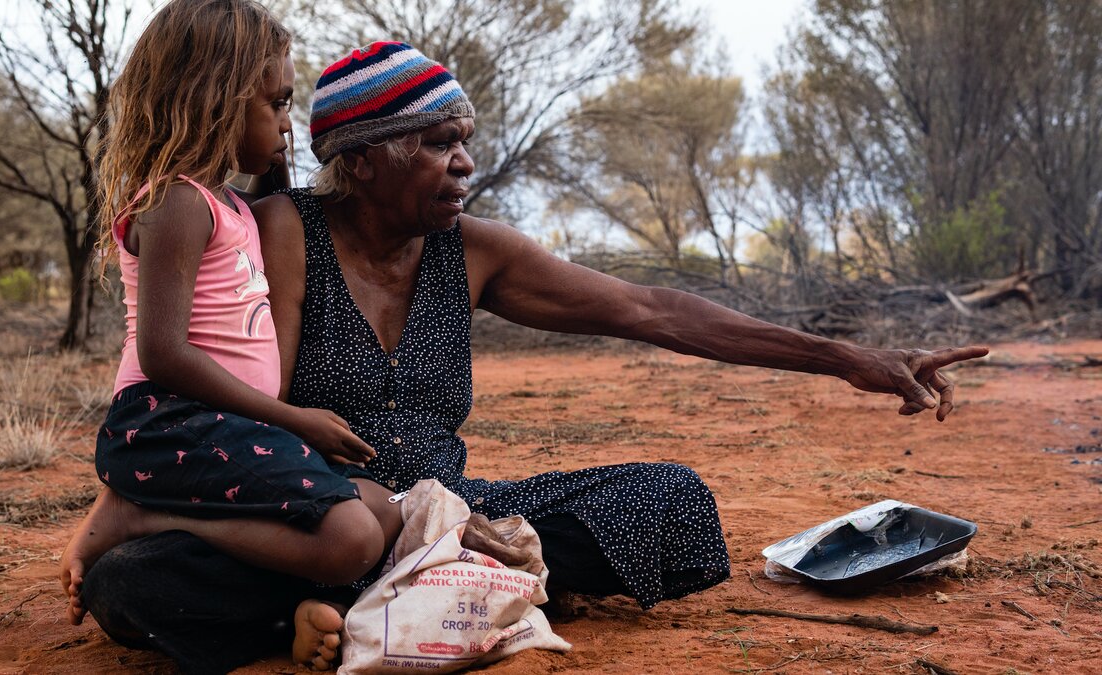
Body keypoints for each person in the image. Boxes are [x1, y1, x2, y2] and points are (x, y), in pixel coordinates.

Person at [77, 41, 989, 673]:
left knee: (671, 501)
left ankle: (383, 600)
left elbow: (650, 309)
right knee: (132, 585)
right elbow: (218, 383)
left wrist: (846, 358)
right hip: (319, 518)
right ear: (360, 158)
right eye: (438, 142)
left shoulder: (475, 251)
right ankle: (385, 600)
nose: (464, 161)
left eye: (464, 139)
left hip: (454, 511)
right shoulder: (282, 229)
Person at [58, 4, 410, 663]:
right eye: (277, 103)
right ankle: (149, 514)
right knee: (351, 539)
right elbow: (162, 353)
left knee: (382, 510)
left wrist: (271, 156)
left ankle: (283, 608)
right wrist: (294, 419)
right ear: (216, 98)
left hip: (224, 427)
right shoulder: (176, 202)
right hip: (177, 418)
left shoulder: (228, 202)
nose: (287, 123)